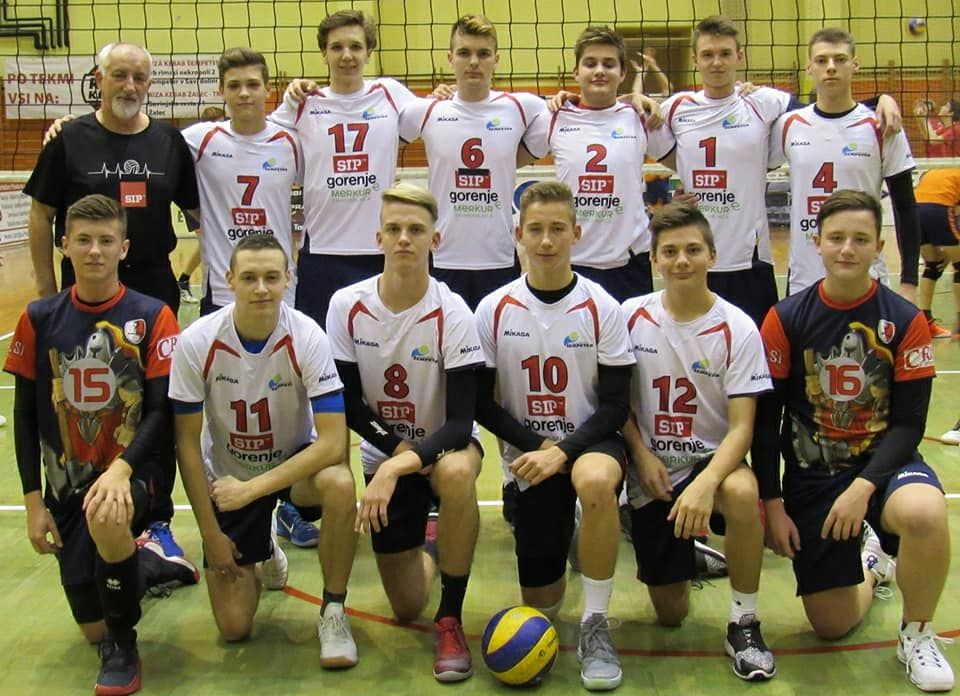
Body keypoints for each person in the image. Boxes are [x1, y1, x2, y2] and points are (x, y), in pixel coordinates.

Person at [755, 190, 953, 692]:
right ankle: (872, 563)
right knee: (831, 624)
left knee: (925, 513)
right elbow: (767, 420)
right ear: (817, 242)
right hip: (814, 473)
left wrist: (863, 488)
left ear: (879, 247)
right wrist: (772, 503)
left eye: (861, 239)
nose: (847, 249)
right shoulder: (786, 318)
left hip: (884, 467)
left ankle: (917, 633)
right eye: (837, 237)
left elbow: (909, 425)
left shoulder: (904, 320)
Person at [4, 194, 199, 696]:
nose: (95, 251)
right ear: (64, 245)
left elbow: (160, 411)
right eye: (84, 240)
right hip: (68, 483)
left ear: (123, 248)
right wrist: (33, 502)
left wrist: (122, 469)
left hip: (135, 474)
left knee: (108, 517)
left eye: (107, 241)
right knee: (89, 623)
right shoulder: (39, 317)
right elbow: (24, 415)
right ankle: (150, 563)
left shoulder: (151, 316)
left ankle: (122, 646)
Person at [25, 42, 201, 558]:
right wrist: (46, 292)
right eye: (119, 75)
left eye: (139, 78)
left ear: (149, 84)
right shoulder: (68, 138)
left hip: (152, 290)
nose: (130, 86)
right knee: (89, 403)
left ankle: (158, 520)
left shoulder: (168, 141)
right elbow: (40, 215)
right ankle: (89, 504)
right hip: (84, 290)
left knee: (157, 404)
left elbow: (198, 213)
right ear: (98, 80)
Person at [168, 234, 359, 666]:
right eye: (249, 278)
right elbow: (187, 445)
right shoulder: (197, 341)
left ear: (288, 279)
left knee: (340, 483)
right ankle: (266, 546)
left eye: (272, 277)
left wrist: (254, 491)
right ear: (229, 279)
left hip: (292, 471)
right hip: (228, 477)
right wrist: (210, 535)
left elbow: (333, 441)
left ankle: (333, 611)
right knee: (234, 628)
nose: (261, 289)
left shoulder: (307, 336)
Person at [475, 181, 635, 691]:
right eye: (536, 229)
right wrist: (540, 449)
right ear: (518, 234)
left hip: (590, 444)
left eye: (558, 229)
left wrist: (562, 452)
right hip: (530, 456)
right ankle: (569, 531)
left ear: (576, 234)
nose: (546, 241)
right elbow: (481, 404)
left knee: (595, 482)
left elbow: (615, 406)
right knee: (541, 605)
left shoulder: (602, 307)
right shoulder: (494, 308)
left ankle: (596, 623)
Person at [326, 184, 484, 682]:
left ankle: (451, 619)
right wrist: (394, 455)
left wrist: (401, 463)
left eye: (416, 230)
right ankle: (433, 543)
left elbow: (460, 422)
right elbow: (348, 403)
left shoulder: (453, 312)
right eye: (393, 229)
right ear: (378, 237)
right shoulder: (346, 305)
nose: (403, 239)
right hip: (385, 451)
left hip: (445, 447)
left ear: (435, 239)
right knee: (404, 606)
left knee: (457, 475)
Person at [657, 16, 904, 325]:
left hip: (751, 260)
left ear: (739, 56)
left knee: (757, 347)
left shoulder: (766, 102)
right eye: (708, 54)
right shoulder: (676, 107)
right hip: (695, 253)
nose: (717, 62)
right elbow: (636, 125)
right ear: (695, 59)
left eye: (725, 53)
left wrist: (881, 99)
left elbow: (829, 111)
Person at [620, 202, 775, 681]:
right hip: (652, 469)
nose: (681, 260)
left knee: (742, 493)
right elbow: (617, 406)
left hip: (712, 462)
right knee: (671, 614)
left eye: (692, 250)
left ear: (712, 254)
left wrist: (706, 484)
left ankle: (744, 621)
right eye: (669, 251)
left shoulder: (738, 327)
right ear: (654, 260)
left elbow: (742, 428)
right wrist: (641, 456)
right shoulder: (628, 317)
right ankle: (692, 552)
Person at [272, 10, 418, 327]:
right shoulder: (304, 101)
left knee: (383, 343)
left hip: (379, 250)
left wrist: (445, 96)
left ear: (369, 52)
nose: (347, 55)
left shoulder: (391, 93)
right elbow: (258, 140)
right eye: (337, 47)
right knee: (320, 346)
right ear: (324, 53)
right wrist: (289, 96)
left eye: (355, 46)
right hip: (322, 252)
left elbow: (436, 120)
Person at [398, 14, 549, 310]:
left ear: (496, 59)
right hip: (442, 257)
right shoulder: (425, 111)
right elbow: (377, 141)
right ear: (450, 58)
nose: (474, 62)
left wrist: (635, 100)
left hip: (499, 258)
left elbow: (577, 111)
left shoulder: (524, 107)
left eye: (483, 54)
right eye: (464, 53)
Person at [523, 26, 673, 302]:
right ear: (576, 72)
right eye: (590, 63)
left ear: (623, 73)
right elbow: (502, 158)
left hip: (629, 262)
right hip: (570, 261)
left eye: (609, 64)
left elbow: (687, 162)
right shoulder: (553, 117)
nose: (600, 71)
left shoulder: (640, 116)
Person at [769, 28, 920, 300]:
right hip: (804, 280)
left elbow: (906, 207)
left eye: (839, 59)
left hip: (867, 279)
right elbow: (745, 168)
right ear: (809, 68)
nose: (831, 67)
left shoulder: (881, 126)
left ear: (855, 65)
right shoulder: (789, 124)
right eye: (821, 60)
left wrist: (909, 281)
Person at [182, 48, 301, 314]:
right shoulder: (199, 139)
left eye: (253, 85)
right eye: (234, 86)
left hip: (279, 285)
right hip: (223, 287)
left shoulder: (291, 142)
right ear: (221, 91)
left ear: (268, 90)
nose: (244, 93)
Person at [178, 105, 226, 306]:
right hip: (194, 200)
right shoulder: (195, 140)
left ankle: (184, 279)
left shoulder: (223, 144)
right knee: (206, 241)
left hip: (209, 201)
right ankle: (185, 280)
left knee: (206, 242)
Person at [913, 168, 960, 338]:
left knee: (933, 266)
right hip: (940, 208)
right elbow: (955, 214)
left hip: (914, 210)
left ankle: (925, 321)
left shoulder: (934, 173)